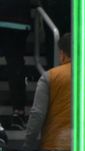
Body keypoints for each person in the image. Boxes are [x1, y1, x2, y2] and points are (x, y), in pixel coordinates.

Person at [0, 0, 33, 130]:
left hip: (4, 16)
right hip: (20, 20)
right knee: (16, 65)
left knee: (15, 65)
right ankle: (18, 112)